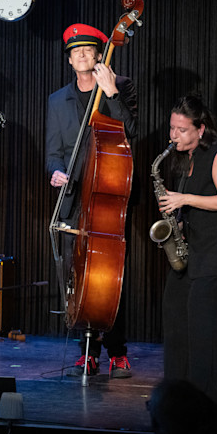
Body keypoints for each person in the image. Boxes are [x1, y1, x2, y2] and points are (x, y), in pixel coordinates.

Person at [45, 24, 138, 378]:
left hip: (108, 197)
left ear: (100, 54)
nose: (82, 56)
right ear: (69, 61)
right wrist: (55, 171)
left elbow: (131, 132)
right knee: (77, 277)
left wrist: (111, 92)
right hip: (73, 199)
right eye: (75, 52)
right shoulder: (57, 100)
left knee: (109, 280)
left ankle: (117, 350)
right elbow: (53, 152)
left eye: (88, 50)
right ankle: (88, 352)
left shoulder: (122, 85)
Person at [159, 94, 217, 400]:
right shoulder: (186, 159)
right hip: (196, 253)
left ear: (200, 129)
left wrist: (183, 199)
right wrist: (180, 223)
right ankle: (177, 395)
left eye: (182, 129)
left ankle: (206, 403)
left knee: (205, 334)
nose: (174, 136)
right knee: (175, 317)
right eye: (172, 128)